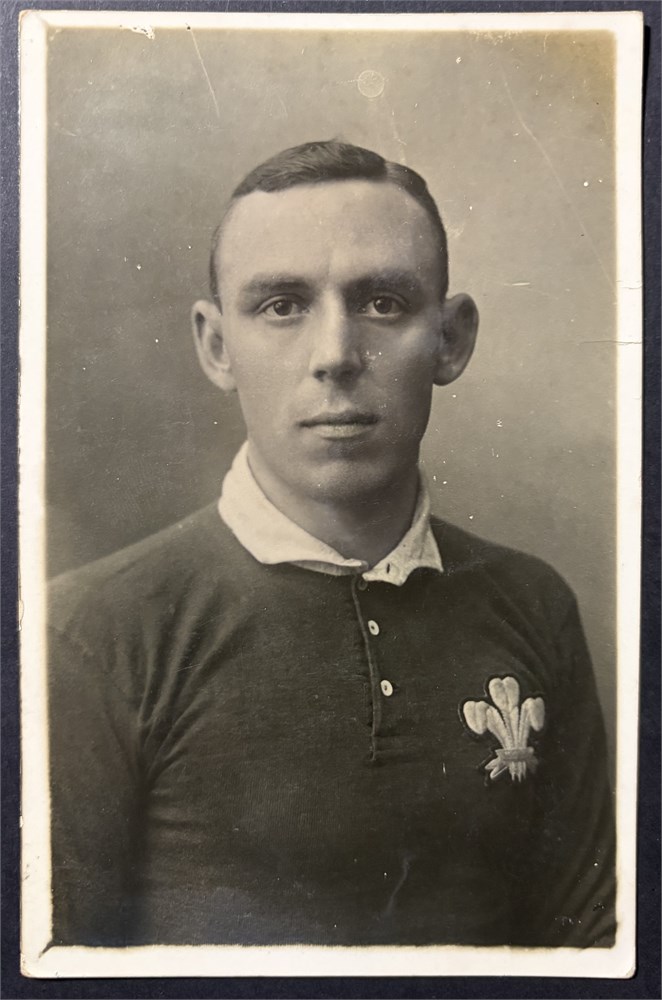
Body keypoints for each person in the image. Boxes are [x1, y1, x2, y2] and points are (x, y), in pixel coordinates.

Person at [48, 140, 615, 949]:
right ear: (217, 346)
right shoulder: (90, 633)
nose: (335, 357)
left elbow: (595, 949)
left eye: (383, 302)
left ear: (451, 339)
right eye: (282, 306)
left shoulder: (533, 604)